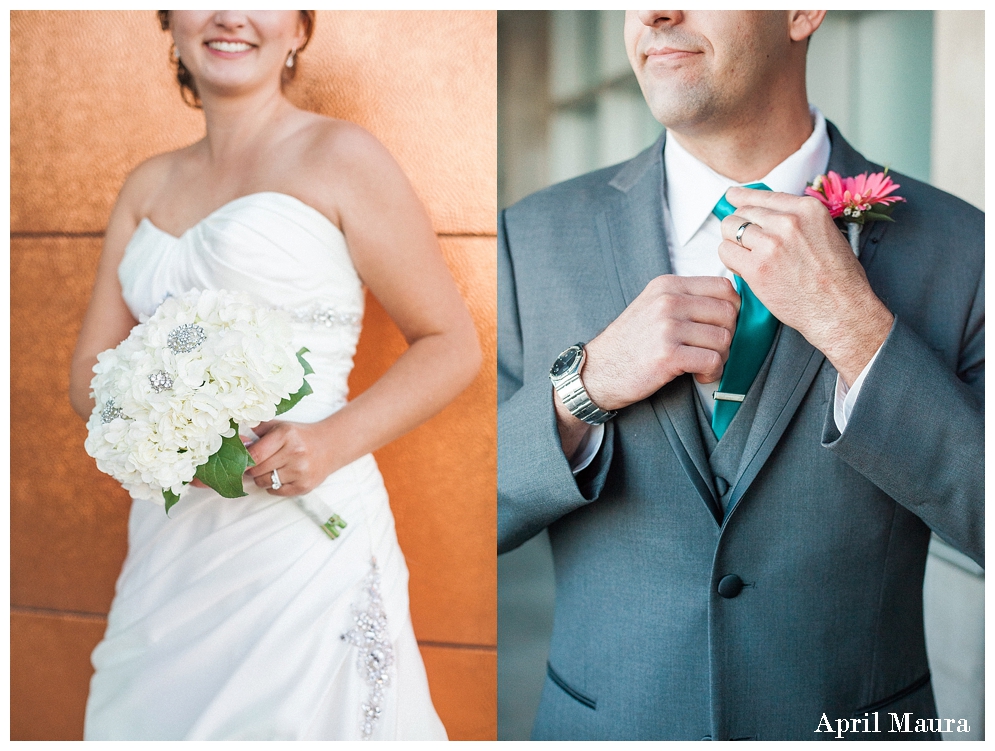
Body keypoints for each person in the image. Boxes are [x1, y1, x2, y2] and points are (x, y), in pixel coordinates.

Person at [498, 10, 982, 741]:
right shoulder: (529, 237)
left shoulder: (962, 247)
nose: (656, 14)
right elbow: (460, 510)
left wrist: (856, 330)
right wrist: (582, 390)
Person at [69, 10, 480, 740]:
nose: (231, 15)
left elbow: (450, 343)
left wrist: (326, 442)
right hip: (172, 546)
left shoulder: (342, 155)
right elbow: (88, 380)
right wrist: (157, 439)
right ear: (168, 23)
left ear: (299, 28)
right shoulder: (144, 186)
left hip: (304, 542)